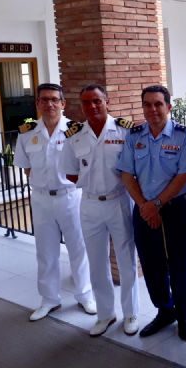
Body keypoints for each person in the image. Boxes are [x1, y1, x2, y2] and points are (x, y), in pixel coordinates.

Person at [117, 85, 186, 341]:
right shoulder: (134, 136)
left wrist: (157, 204)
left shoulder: (184, 136)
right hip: (143, 209)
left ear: (168, 107)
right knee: (151, 265)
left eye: (158, 104)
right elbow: (126, 174)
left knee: (180, 264)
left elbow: (184, 173)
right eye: (147, 105)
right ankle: (165, 311)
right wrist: (144, 205)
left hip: (175, 209)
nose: (152, 110)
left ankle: (184, 315)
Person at [59, 84, 139, 337]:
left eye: (96, 101)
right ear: (80, 106)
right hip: (90, 203)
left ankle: (131, 313)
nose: (92, 107)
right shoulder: (75, 136)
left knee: (126, 261)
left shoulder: (125, 131)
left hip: (119, 201)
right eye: (86, 103)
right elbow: (71, 172)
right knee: (96, 263)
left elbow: (134, 168)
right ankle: (105, 314)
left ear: (107, 101)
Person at [14, 83, 96, 322]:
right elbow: (27, 167)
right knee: (45, 251)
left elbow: (85, 165)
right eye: (44, 100)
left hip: (70, 197)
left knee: (78, 248)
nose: (49, 104)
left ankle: (84, 295)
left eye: (54, 99)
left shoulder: (76, 130)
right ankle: (49, 299)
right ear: (37, 104)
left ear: (63, 103)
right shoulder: (27, 132)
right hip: (41, 199)